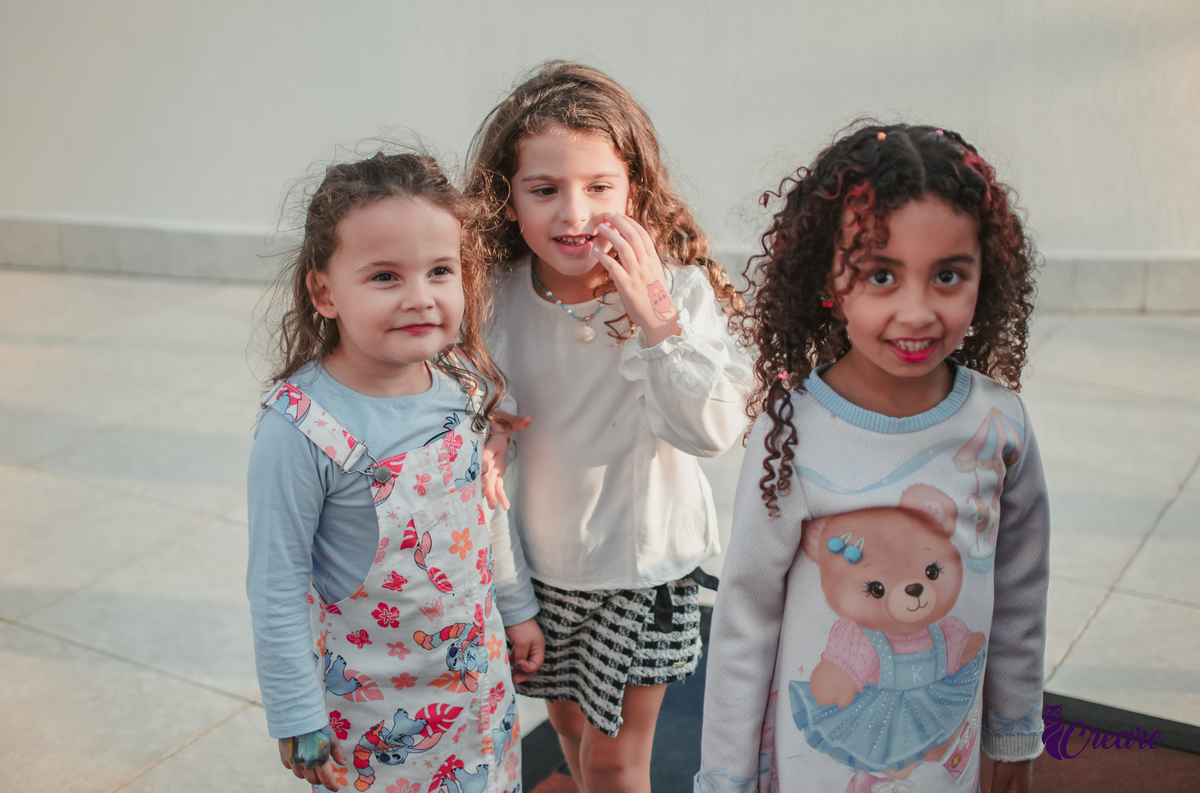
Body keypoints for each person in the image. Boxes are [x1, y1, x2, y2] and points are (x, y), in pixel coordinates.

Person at [696, 124, 1049, 793]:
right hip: (813, 771)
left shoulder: (1000, 423)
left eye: (947, 275)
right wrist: (725, 779)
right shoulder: (792, 430)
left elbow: (1021, 598)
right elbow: (745, 617)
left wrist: (1013, 734)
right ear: (826, 278)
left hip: (947, 765)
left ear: (986, 275)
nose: (916, 311)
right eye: (880, 275)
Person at [465, 61, 751, 792]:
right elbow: (465, 410)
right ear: (507, 201)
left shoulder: (677, 291)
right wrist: (482, 432)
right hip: (540, 566)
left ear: (636, 192)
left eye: (598, 187)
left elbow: (714, 429)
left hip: (641, 570)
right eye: (544, 190)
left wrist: (656, 319)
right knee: (568, 737)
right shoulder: (488, 297)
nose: (572, 214)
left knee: (617, 760)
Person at [247, 152, 539, 793]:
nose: (420, 297)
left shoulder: (464, 383)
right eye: (384, 276)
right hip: (376, 717)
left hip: (479, 691)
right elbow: (278, 582)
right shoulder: (302, 428)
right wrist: (295, 713)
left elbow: (484, 507)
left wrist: (516, 609)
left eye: (440, 271)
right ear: (324, 292)